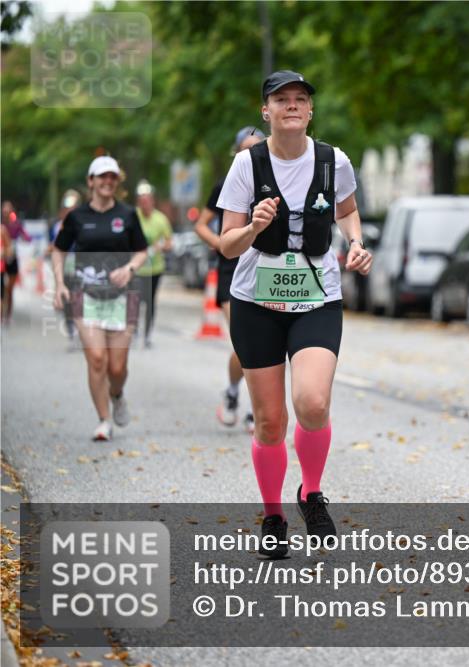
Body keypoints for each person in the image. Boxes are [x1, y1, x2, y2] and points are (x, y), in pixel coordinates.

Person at [218, 71, 372, 558]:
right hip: (255, 303)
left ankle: (310, 492)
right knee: (269, 423)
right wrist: (254, 227)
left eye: (300, 99)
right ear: (265, 111)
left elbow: (346, 210)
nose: (291, 105)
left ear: (310, 111)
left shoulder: (333, 160)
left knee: (312, 403)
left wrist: (356, 242)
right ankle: (273, 516)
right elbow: (226, 244)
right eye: (281, 99)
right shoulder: (247, 165)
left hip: (317, 298)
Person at [52, 157, 148, 441]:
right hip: (86, 294)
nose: (108, 182)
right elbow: (58, 250)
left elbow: (142, 250)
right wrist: (59, 283)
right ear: (90, 181)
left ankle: (116, 394)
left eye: (113, 177)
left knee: (117, 367)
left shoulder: (128, 215)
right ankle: (104, 420)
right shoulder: (76, 217)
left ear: (117, 182)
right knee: (96, 358)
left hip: (123, 296)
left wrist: (129, 268)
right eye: (102, 177)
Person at [194, 126, 264, 430]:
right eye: (246, 149)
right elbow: (201, 225)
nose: (251, 154)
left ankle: (255, 408)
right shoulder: (226, 183)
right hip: (231, 267)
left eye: (257, 148)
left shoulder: (275, 181)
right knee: (246, 341)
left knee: (266, 344)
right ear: (236, 152)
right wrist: (222, 243)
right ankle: (235, 392)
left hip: (266, 269)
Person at [134, 180, 173, 348]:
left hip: (154, 268)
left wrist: (160, 246)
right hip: (136, 268)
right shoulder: (133, 217)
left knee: (149, 302)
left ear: (152, 201)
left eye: (147, 200)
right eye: (141, 201)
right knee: (135, 301)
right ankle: (134, 330)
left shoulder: (160, 219)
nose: (145, 204)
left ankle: (147, 333)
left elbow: (170, 243)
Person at [49, 189, 83, 345]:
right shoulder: (57, 226)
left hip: (80, 266)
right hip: (63, 266)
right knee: (67, 299)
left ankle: (79, 328)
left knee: (78, 298)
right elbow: (53, 247)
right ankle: (71, 330)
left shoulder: (84, 224)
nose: (71, 211)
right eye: (68, 207)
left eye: (74, 207)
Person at [2, 200, 31, 325]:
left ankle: (8, 315)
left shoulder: (16, 224)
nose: (6, 213)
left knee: (10, 289)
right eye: (4, 210)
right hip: (2, 259)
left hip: (12, 258)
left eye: (8, 210)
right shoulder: (1, 225)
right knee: (2, 289)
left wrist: (25, 238)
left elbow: (27, 236)